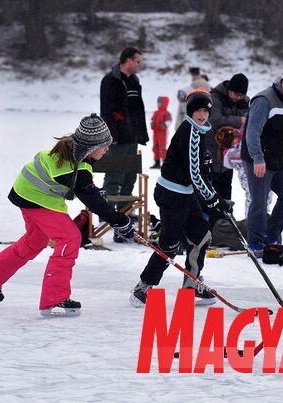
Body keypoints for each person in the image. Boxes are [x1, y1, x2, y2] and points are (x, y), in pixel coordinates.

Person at [0, 114, 134, 317]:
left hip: (25, 192)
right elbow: (92, 200)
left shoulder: (74, 151)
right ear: (91, 147)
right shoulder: (78, 167)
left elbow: (87, 190)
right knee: (70, 238)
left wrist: (94, 192)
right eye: (104, 145)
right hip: (37, 199)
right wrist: (120, 220)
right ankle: (55, 300)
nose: (107, 149)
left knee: (34, 242)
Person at [130, 89, 232, 307]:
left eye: (206, 110)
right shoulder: (191, 133)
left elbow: (201, 174)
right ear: (191, 111)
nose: (202, 114)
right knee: (169, 245)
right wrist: (213, 200)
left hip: (185, 194)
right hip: (172, 195)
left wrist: (216, 198)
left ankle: (191, 285)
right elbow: (194, 174)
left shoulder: (199, 130)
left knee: (201, 236)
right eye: (198, 110)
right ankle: (143, 287)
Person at [241, 70, 283, 255]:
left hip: (279, 158)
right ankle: (255, 241)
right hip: (258, 158)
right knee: (259, 201)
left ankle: (271, 235)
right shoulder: (263, 100)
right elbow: (252, 132)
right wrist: (258, 159)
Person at [100, 47, 149, 229]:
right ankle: (105, 211)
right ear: (128, 60)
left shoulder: (134, 80)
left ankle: (125, 211)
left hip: (132, 137)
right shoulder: (110, 80)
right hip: (117, 138)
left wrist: (141, 133)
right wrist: (111, 134)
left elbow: (138, 110)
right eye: (138, 61)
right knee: (114, 175)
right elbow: (106, 110)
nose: (139, 64)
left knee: (130, 176)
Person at [206, 73, 249, 201]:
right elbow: (214, 120)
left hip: (229, 153)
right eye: (235, 94)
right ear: (229, 89)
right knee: (211, 189)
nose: (238, 97)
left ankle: (225, 218)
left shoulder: (245, 101)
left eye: (241, 95)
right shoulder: (214, 97)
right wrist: (240, 120)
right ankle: (211, 219)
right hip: (211, 149)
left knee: (226, 187)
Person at [218, 126, 272, 215]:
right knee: (252, 197)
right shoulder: (231, 153)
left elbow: (243, 134)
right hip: (247, 178)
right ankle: (250, 219)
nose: (238, 138)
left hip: (256, 175)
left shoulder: (238, 147)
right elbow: (245, 155)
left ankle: (264, 213)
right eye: (235, 137)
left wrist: (247, 125)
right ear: (228, 141)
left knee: (266, 195)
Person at [149, 96, 172, 169]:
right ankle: (157, 162)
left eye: (160, 103)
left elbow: (168, 122)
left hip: (162, 133)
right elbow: (152, 120)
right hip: (155, 133)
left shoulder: (166, 113)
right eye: (158, 103)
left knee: (162, 147)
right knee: (155, 147)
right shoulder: (156, 112)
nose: (158, 104)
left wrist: (161, 126)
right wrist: (152, 125)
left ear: (164, 103)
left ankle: (165, 162)